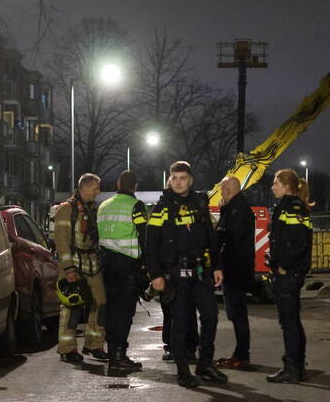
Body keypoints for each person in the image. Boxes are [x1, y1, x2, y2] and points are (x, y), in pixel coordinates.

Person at [147, 161, 228, 388]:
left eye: (183, 178)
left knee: (211, 316)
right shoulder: (162, 208)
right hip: (175, 272)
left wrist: (218, 266)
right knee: (180, 322)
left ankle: (205, 364)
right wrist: (156, 275)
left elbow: (211, 239)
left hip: (202, 270)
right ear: (169, 180)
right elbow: (150, 244)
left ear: (190, 180)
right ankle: (183, 370)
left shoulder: (200, 203)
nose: (179, 182)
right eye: (175, 178)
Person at [53, 174, 107, 363]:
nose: (98, 192)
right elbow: (61, 241)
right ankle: (67, 348)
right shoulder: (66, 210)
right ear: (85, 187)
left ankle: (94, 345)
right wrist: (68, 269)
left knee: (100, 305)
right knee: (71, 308)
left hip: (93, 266)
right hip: (74, 267)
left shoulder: (92, 209)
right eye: (96, 188)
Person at [98, 170, 148, 369]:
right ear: (135, 186)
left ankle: (113, 353)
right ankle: (119, 356)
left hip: (106, 265)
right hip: (127, 266)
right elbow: (144, 236)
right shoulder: (136, 206)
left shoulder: (103, 205)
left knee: (111, 310)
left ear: (118, 184)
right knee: (125, 312)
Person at [266, 169, 313, 384]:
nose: (273, 186)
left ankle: (292, 369)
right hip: (292, 272)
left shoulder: (291, 208)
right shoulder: (293, 206)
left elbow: (296, 242)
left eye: (276, 183)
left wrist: (283, 266)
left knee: (289, 322)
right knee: (292, 320)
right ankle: (296, 365)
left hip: (289, 273)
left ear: (286, 186)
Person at [214, 176, 255, 370]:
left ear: (229, 190)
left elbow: (229, 240)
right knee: (237, 314)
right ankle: (240, 354)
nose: (221, 194)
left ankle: (242, 355)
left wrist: (219, 263)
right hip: (237, 269)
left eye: (223, 190)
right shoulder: (235, 209)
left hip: (235, 270)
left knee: (237, 314)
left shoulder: (236, 211)